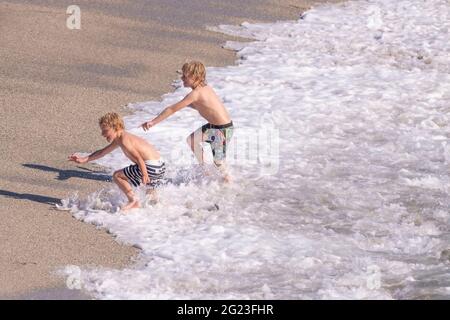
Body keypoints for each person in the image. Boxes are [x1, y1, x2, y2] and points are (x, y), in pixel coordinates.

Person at [141, 61, 234, 182]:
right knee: (192, 140)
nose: (182, 78)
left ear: (196, 77)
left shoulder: (195, 94)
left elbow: (172, 109)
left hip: (221, 129)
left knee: (219, 163)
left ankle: (227, 185)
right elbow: (204, 106)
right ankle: (206, 171)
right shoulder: (205, 88)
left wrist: (153, 122)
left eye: (185, 76)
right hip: (218, 127)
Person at [68, 112, 165, 211]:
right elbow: (102, 152)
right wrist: (84, 159)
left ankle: (133, 200)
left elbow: (139, 158)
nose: (102, 134)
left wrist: (144, 174)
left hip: (149, 166)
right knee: (149, 193)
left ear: (116, 127)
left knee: (117, 176)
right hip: (160, 166)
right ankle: (155, 208)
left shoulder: (124, 140)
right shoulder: (120, 139)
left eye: (105, 130)